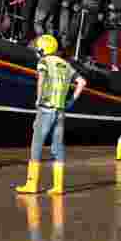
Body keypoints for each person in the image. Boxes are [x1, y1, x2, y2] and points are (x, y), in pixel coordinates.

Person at [16, 35, 87, 195]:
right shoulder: (66, 65)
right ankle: (58, 186)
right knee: (57, 148)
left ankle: (31, 184)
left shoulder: (44, 62)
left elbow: (41, 80)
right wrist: (71, 102)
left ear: (43, 49)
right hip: (60, 111)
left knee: (37, 146)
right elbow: (82, 82)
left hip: (46, 108)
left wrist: (38, 99)